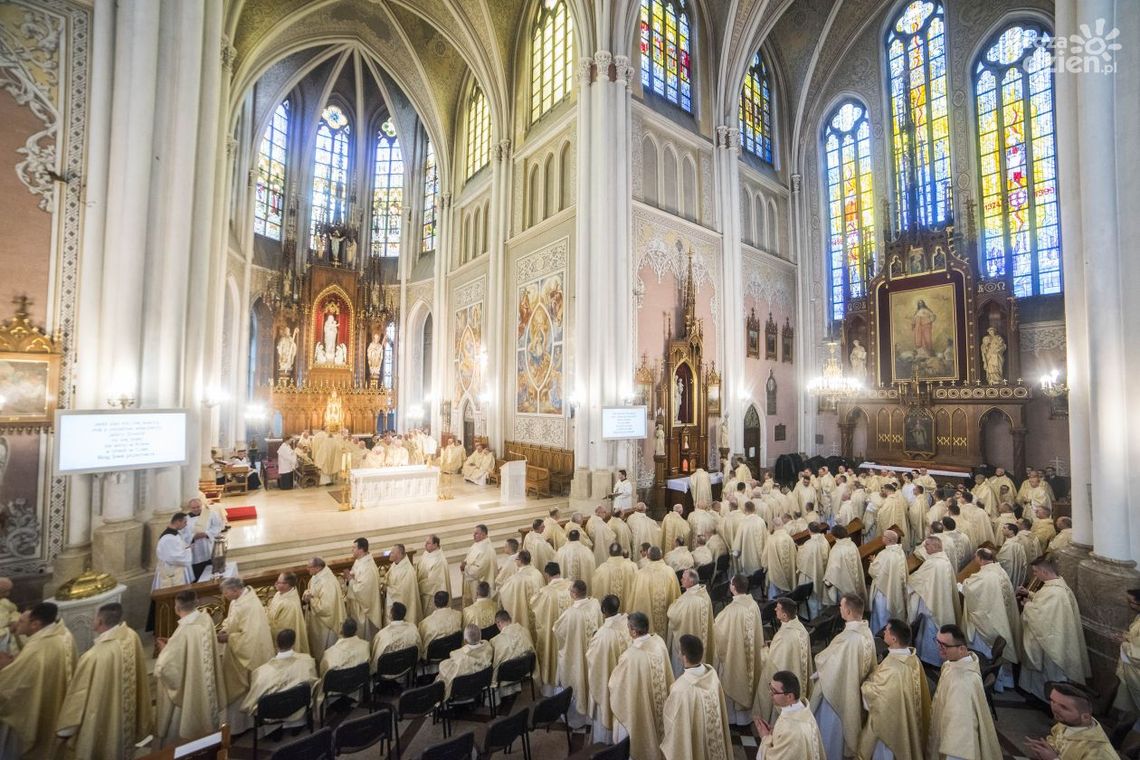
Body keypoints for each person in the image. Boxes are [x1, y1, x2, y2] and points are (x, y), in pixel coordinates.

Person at [55, 603, 152, 759]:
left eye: (95, 617)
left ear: (99, 622)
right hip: (125, 712)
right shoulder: (131, 635)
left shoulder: (93, 657)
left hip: (105, 719)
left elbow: (78, 698)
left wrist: (64, 730)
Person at [0, 603, 77, 758]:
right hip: (59, 702)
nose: (17, 624)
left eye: (22, 621)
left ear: (35, 625)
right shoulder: (62, 632)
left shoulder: (38, 649)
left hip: (39, 708)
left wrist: (6, 667)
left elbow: (13, 687)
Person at [154, 591, 226, 747]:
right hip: (203, 681)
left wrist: (163, 650)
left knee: (180, 728)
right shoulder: (205, 618)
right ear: (196, 604)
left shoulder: (185, 631)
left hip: (189, 689)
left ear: (177, 607)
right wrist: (171, 644)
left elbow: (166, 667)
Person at [810, 592, 875, 760]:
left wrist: (820, 668)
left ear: (847, 612)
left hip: (839, 692)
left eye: (841, 606)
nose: (839, 608)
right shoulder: (867, 632)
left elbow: (833, 666)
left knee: (831, 733)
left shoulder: (849, 640)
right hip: (852, 688)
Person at [1019, 555, 1091, 700]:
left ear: (1044, 572)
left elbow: (1042, 618)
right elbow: (1046, 606)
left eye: (1035, 572)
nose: (1035, 575)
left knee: (1050, 675)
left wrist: (1027, 605)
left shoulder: (1055, 593)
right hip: (1056, 638)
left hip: (1051, 645)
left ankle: (1049, 701)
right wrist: (1031, 594)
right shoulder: (1057, 586)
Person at [858, 618, 931, 760]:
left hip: (890, 725)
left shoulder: (893, 669)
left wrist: (864, 683)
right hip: (905, 716)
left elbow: (877, 697)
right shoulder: (913, 659)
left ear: (893, 638)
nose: (883, 631)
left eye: (887, 630)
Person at [928, 624, 1001, 760]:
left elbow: (959, 739)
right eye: (937, 642)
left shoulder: (963, 685)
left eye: (944, 646)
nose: (939, 649)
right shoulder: (953, 664)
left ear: (961, 649)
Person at [608, 611, 674, 760]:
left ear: (633, 631)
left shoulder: (631, 656)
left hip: (640, 707)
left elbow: (616, 684)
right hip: (659, 703)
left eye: (628, 628)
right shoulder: (659, 642)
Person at [660, 634, 732, 760]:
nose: (677, 655)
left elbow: (673, 723)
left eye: (679, 653)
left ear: (684, 657)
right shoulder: (712, 675)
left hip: (696, 741)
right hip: (714, 738)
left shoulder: (681, 689)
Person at [217, 576, 275, 733]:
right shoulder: (238, 600)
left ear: (235, 590)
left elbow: (250, 636)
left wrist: (229, 637)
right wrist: (226, 628)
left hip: (250, 653)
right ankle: (237, 725)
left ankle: (248, 723)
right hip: (237, 650)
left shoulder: (249, 605)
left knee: (247, 687)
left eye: (226, 592)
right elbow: (232, 620)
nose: (225, 596)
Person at [961, 547, 1021, 681]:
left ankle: (981, 677)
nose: (975, 560)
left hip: (987, 621)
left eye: (976, 557)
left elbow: (971, 590)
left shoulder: (985, 576)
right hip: (999, 615)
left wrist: (963, 584)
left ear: (981, 559)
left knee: (985, 649)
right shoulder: (1000, 571)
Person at [240, 628, 318, 732]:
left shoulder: (260, 673)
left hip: (273, 715)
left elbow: (252, 703)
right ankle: (296, 725)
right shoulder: (307, 662)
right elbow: (312, 686)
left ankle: (274, 730)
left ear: (276, 644)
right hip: (298, 708)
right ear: (293, 642)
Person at [714, 574, 765, 724]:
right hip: (750, 653)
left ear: (733, 588)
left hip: (736, 655)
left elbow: (718, 632)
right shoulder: (753, 604)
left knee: (734, 676)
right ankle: (746, 718)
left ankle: (733, 719)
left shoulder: (731, 610)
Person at [754, 597, 813, 724]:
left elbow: (772, 663)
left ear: (785, 615)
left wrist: (764, 651)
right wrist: (774, 644)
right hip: (795, 675)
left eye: (778, 608)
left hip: (785, 683)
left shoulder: (785, 636)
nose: (775, 609)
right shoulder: (801, 628)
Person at [1025, 681, 1118, 759]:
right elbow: (1057, 739)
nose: (1055, 709)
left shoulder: (1097, 750)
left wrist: (1053, 759)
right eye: (1053, 701)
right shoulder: (1068, 722)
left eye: (1064, 707)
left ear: (1085, 717)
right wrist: (1046, 748)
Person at [553, 580, 602, 726]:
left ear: (574, 594)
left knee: (578, 679)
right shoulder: (595, 605)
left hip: (576, 656)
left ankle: (577, 718)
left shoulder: (570, 614)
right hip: (593, 654)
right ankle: (591, 715)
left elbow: (558, 631)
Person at [907, 536, 961, 666]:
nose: (925, 548)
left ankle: (929, 660)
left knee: (929, 629)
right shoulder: (944, 560)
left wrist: (905, 578)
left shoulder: (933, 563)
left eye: (928, 545)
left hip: (932, 603)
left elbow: (916, 580)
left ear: (936, 546)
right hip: (940, 601)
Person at [586, 595, 630, 743]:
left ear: (603, 610)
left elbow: (594, 662)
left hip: (608, 682)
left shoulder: (602, 636)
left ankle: (605, 743)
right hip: (625, 682)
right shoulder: (628, 624)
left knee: (605, 707)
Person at [754, 670, 826, 759]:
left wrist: (765, 737)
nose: (770, 693)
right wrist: (775, 732)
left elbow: (774, 758)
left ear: (789, 697)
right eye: (770, 687)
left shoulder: (792, 731)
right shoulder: (802, 711)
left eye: (774, 691)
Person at [531, 562, 573, 693]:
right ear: (559, 572)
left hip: (553, 635)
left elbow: (534, 605)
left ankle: (551, 688)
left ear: (547, 575)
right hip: (569, 632)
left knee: (551, 653)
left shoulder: (546, 593)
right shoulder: (572, 586)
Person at [666, 568, 715, 675]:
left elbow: (672, 615)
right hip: (699, 635)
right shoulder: (704, 593)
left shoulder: (687, 601)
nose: (681, 580)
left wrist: (673, 604)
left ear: (691, 582)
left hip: (688, 635)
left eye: (683, 578)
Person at [629, 546, 682, 635]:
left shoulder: (641, 574)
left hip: (647, 624)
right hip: (665, 619)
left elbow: (635, 600)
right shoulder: (670, 572)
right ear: (661, 556)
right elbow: (676, 597)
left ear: (648, 557)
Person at [303, 556, 346, 661]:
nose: (307, 569)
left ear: (317, 567)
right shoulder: (316, 576)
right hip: (317, 621)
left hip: (326, 625)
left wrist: (310, 600)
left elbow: (326, 608)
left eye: (309, 567)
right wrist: (307, 594)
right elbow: (312, 592)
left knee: (326, 653)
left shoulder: (327, 582)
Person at [436, 624, 493, 699]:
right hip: (481, 684)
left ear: (465, 641)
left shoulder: (458, 657)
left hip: (462, 690)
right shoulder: (488, 647)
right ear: (480, 636)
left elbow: (446, 676)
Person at [497, 550, 544, 637]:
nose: (515, 561)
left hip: (524, 615)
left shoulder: (515, 579)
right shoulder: (538, 573)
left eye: (516, 559)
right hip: (537, 612)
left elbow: (504, 593)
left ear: (520, 561)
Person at [868, 529, 908, 632]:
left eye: (884, 536)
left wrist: (873, 562)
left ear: (888, 540)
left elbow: (874, 572)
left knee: (881, 615)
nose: (882, 538)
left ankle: (879, 636)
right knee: (888, 614)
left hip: (883, 592)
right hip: (893, 590)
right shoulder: (900, 552)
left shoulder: (884, 554)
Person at [490, 609, 534, 695]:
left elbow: (495, 663)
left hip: (506, 678)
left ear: (498, 623)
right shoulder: (525, 630)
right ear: (510, 619)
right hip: (525, 671)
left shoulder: (495, 641)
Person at [181, 497, 225, 580]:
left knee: (210, 571)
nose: (196, 509)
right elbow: (182, 534)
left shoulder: (210, 514)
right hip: (195, 551)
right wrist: (192, 537)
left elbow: (218, 526)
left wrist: (207, 534)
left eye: (198, 507)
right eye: (193, 508)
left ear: (201, 506)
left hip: (208, 546)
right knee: (197, 573)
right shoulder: (185, 519)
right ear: (189, 508)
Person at [267, 572, 309, 654]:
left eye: (279, 582)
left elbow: (282, 628)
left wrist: (266, 626)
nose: (276, 584)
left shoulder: (290, 605)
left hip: (284, 645)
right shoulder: (279, 593)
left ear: (288, 584)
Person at [823, 524, 865, 605]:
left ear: (835, 536)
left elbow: (833, 569)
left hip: (843, 582)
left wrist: (828, 581)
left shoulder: (836, 549)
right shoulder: (852, 544)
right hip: (854, 580)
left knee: (845, 603)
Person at [796, 522, 830, 618]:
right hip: (821, 572)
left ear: (809, 531)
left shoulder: (809, 544)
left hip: (810, 574)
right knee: (819, 594)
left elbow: (802, 563)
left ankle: (812, 616)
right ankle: (821, 613)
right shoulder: (825, 541)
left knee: (811, 596)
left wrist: (799, 551)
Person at [1115, 588, 1140, 717]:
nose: (1130, 605)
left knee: (1132, 715)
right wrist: (1126, 637)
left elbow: (1137, 653)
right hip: (1130, 668)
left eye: (1131, 602)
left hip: (1136, 673)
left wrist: (1124, 644)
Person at [418, 591, 462, 664]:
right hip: (454, 649)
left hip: (433, 656)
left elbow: (422, 645)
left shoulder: (425, 624)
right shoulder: (458, 615)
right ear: (448, 602)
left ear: (434, 603)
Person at [592, 542, 638, 611]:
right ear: (621, 552)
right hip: (627, 613)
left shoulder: (601, 570)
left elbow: (597, 592)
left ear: (609, 552)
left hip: (609, 614)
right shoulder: (632, 567)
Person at [153, 511, 193, 590]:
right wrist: (188, 550)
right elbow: (175, 558)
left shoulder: (175, 534)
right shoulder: (168, 538)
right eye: (185, 522)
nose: (186, 524)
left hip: (175, 570)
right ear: (178, 522)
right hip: (171, 573)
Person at [384, 542, 421, 626]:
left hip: (402, 609)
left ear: (400, 554)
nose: (390, 554)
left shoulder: (408, 571)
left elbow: (404, 592)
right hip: (391, 601)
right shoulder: (395, 564)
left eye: (392, 552)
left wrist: (388, 589)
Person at [460, 524, 497, 605]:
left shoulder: (487, 549)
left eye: (476, 533)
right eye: (474, 533)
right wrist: (465, 563)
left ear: (483, 534)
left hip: (479, 584)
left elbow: (478, 571)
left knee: (478, 606)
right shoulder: (477, 544)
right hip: (471, 580)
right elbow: (469, 558)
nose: (473, 535)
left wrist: (465, 567)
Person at [416, 534, 451, 615]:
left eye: (428, 543)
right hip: (424, 591)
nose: (425, 545)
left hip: (431, 595)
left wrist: (417, 585)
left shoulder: (439, 560)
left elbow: (432, 582)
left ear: (435, 545)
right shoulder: (427, 553)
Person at [764, 517, 797, 598]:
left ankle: (775, 607)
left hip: (776, 572)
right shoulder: (789, 538)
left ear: (774, 526)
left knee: (775, 594)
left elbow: (765, 557)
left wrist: (764, 566)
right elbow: (795, 555)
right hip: (789, 570)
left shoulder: (771, 539)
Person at [734, 500, 768, 575]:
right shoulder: (761, 521)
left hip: (748, 555)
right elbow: (765, 537)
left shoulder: (743, 523)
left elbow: (738, 541)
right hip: (761, 555)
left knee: (749, 575)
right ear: (754, 509)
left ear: (745, 510)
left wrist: (736, 552)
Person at [0, 577, 17, 654]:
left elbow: (15, 612)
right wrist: (8, 630)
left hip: (10, 635)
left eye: (8, 591)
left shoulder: (4, 601)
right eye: (4, 592)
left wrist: (14, 620)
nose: (7, 594)